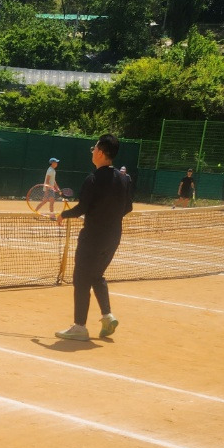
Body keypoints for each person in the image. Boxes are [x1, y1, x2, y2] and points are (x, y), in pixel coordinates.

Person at [55, 132, 133, 342]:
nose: (93, 152)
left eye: (94, 148)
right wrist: (108, 216)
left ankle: (79, 327)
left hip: (92, 238)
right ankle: (107, 317)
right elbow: (128, 207)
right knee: (96, 275)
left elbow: (81, 208)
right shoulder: (124, 179)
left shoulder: (93, 179)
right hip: (113, 238)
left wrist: (63, 215)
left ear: (100, 152)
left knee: (81, 279)